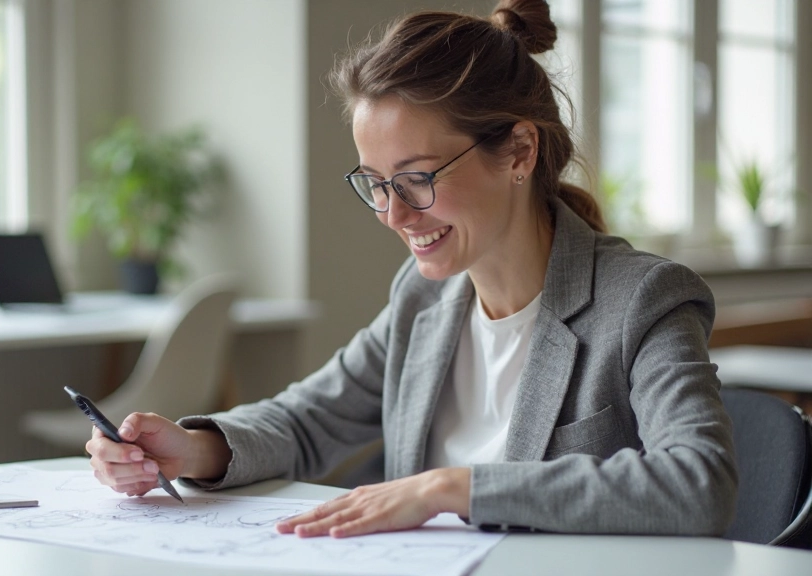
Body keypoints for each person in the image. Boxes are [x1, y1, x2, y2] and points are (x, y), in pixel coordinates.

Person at [86, 0, 737, 539]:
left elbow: (698, 482)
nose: (392, 214)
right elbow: (309, 419)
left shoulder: (642, 299)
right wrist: (193, 450)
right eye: (375, 183)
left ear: (519, 151)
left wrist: (451, 488)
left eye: (417, 178)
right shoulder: (425, 300)